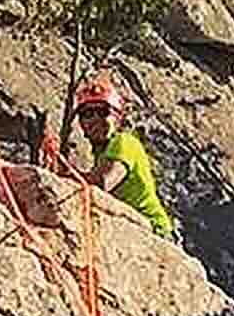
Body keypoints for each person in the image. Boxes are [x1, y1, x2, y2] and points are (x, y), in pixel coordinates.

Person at [58, 69, 176, 240]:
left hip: (153, 228)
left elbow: (103, 182)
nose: (95, 119)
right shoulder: (102, 154)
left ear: (117, 118)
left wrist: (64, 176)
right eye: (87, 114)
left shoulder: (124, 142)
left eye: (103, 112)